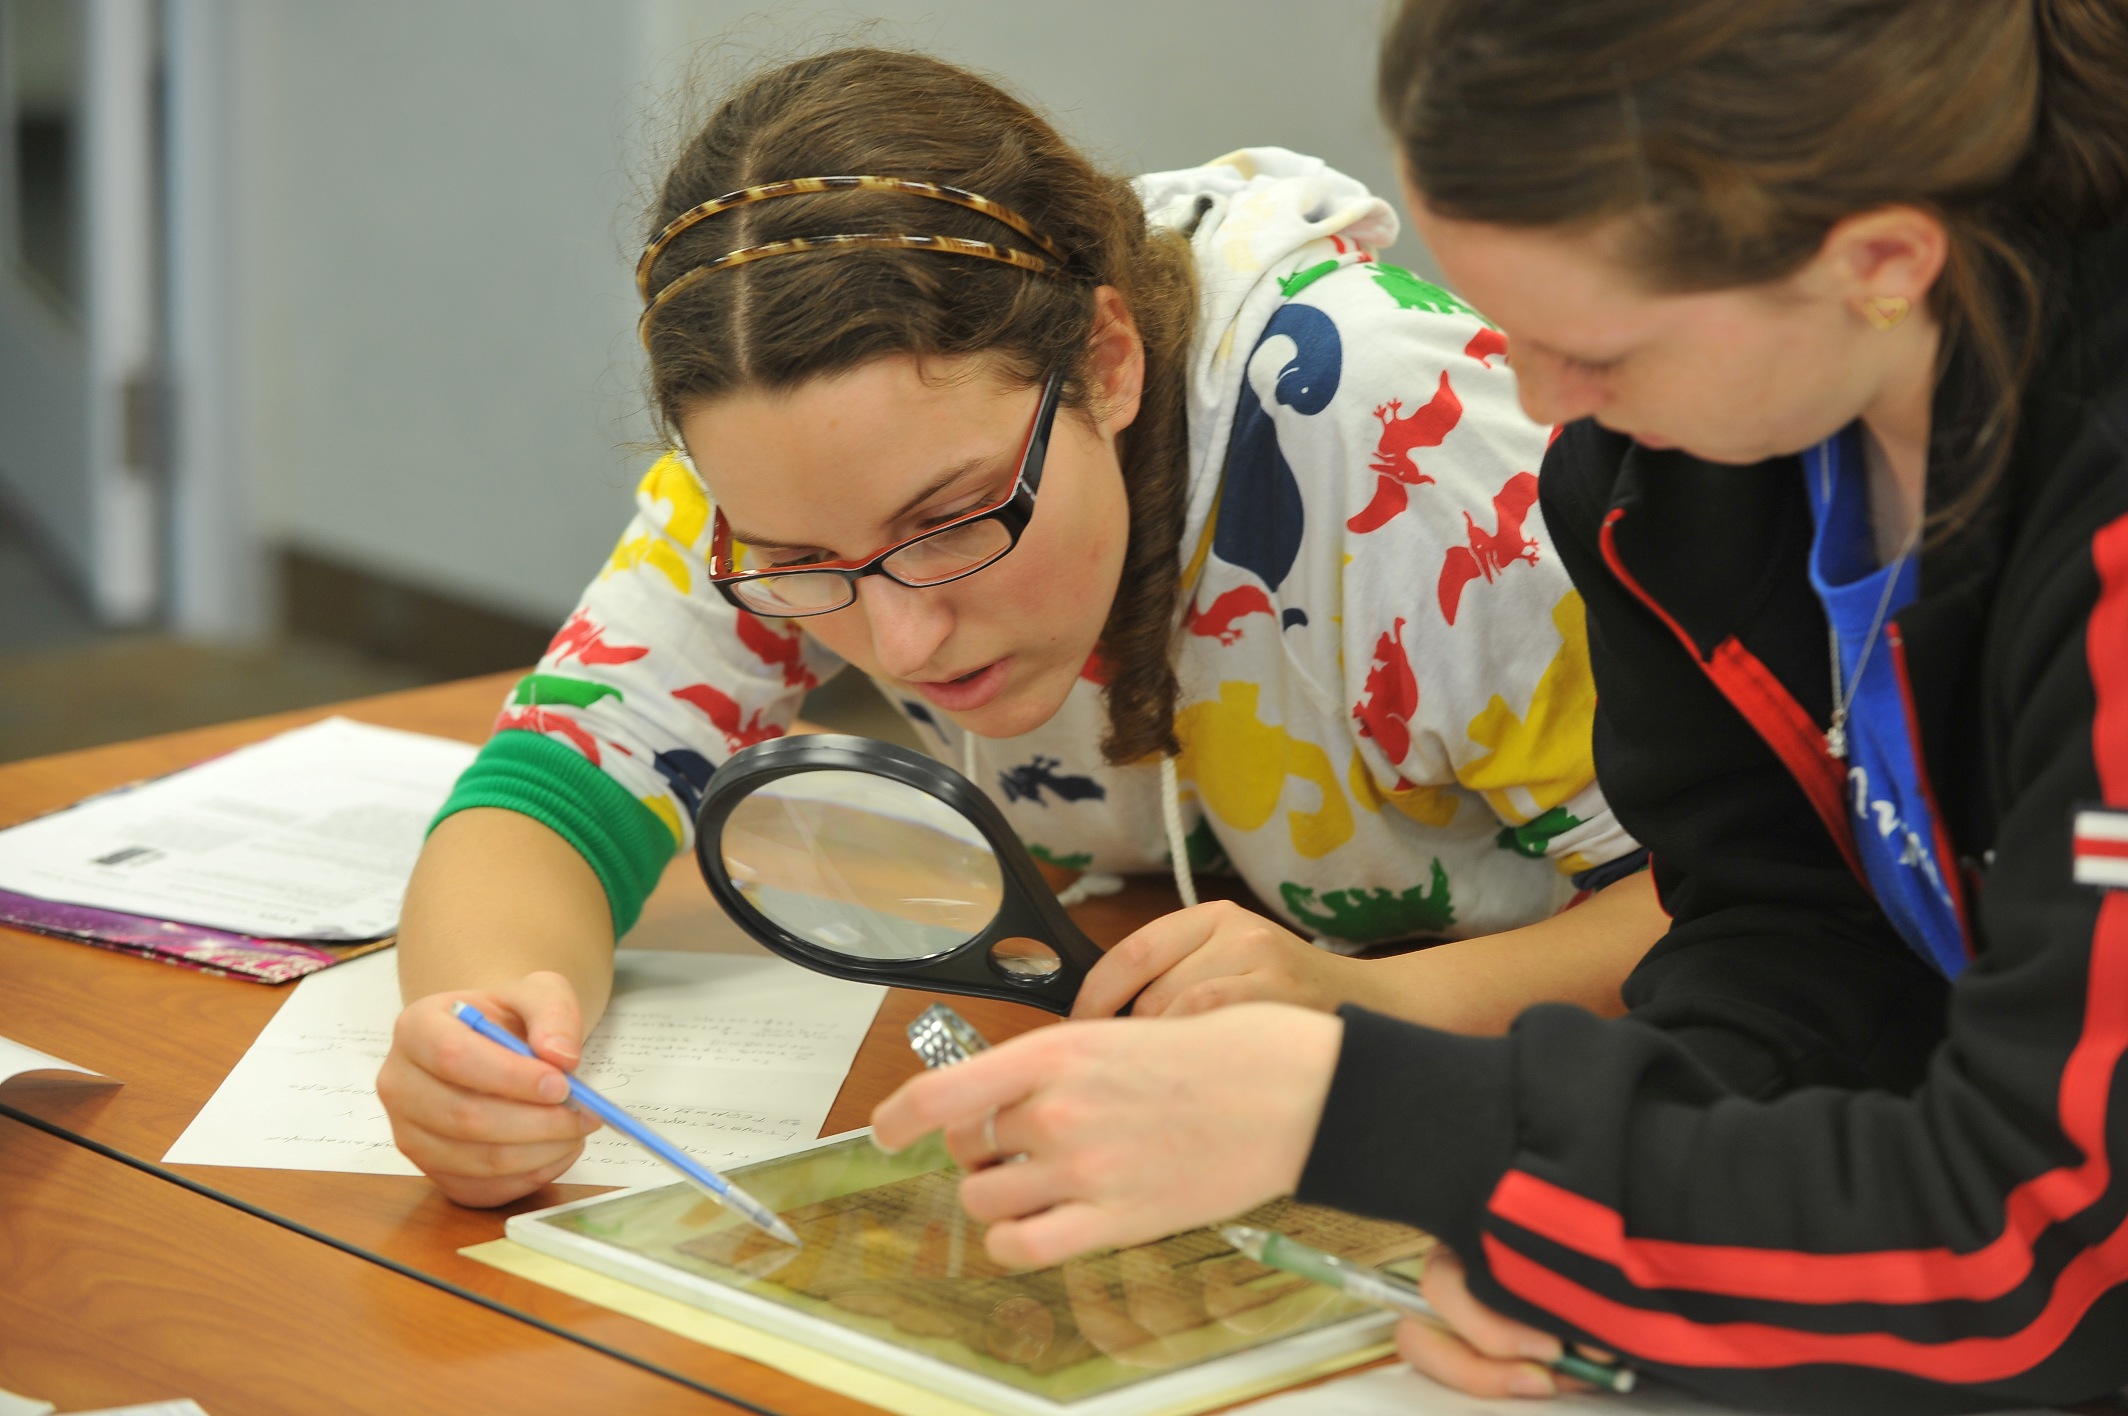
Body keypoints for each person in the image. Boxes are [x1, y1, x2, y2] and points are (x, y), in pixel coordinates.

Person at [871, 0, 2128, 1409]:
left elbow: (2037, 1249)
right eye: (1509, 323)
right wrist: (1598, 1238)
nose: (1540, 400)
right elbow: (1792, 935)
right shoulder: (1696, 464)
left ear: (1882, 262)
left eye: (1601, 348)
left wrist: (1365, 1112)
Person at [375, 48, 1664, 1208]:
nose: (904, 642)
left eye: (951, 521)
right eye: (802, 563)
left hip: (1542, 1126)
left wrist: (1384, 1006)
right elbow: (552, 791)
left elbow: (1745, 910)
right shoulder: (788, 478)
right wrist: (481, 1021)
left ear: (1106, 362)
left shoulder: (1399, 453)